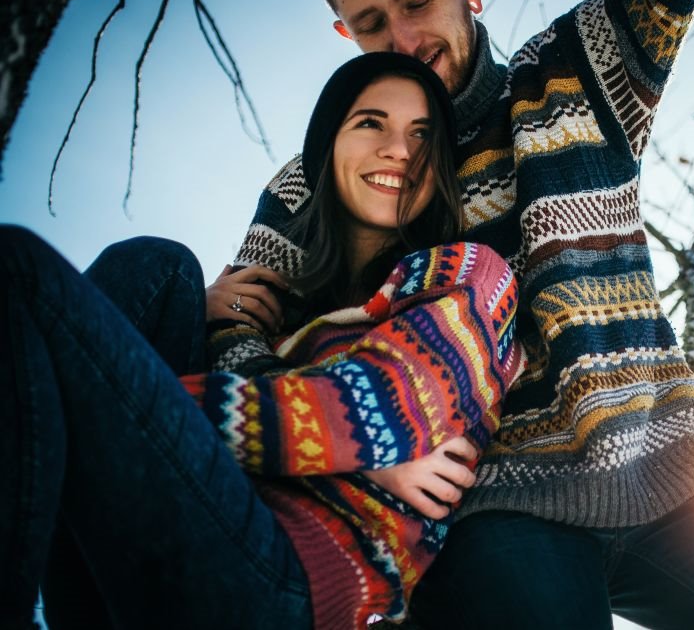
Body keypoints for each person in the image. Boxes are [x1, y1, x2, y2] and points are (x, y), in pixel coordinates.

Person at [202, 0, 694, 628]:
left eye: (417, 3)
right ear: (344, 33)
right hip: (483, 506)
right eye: (371, 23)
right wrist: (355, 445)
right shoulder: (320, 174)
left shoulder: (572, 70)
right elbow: (237, 328)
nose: (404, 39)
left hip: (680, 472)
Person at [0, 51, 523, 630]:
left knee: (24, 271)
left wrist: (109, 395)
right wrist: (192, 315)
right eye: (371, 123)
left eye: (422, 134)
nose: (400, 149)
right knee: (158, 266)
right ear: (326, 148)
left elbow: (369, 413)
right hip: (184, 531)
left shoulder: (470, 272)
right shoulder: (279, 320)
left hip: (296, 579)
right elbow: (339, 434)